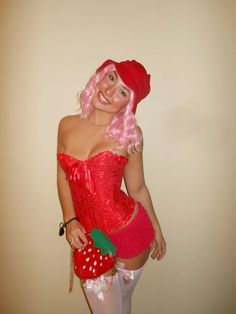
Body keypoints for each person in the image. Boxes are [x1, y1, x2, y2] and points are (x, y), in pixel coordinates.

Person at [56, 59, 166, 314]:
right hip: (91, 239)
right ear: (101, 76)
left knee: (120, 306)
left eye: (123, 92)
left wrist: (157, 230)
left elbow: (137, 189)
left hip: (131, 235)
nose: (109, 90)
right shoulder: (66, 125)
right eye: (112, 78)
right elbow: (62, 175)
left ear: (128, 103)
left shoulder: (130, 136)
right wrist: (70, 220)